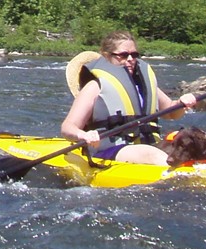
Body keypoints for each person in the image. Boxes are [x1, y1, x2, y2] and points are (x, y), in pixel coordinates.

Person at [61, 31, 197, 165]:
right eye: (123, 55)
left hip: (146, 147)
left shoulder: (143, 84)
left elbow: (172, 113)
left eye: (134, 54)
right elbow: (68, 127)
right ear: (107, 56)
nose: (130, 59)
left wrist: (181, 103)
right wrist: (84, 135)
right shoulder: (94, 86)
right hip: (107, 150)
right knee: (150, 154)